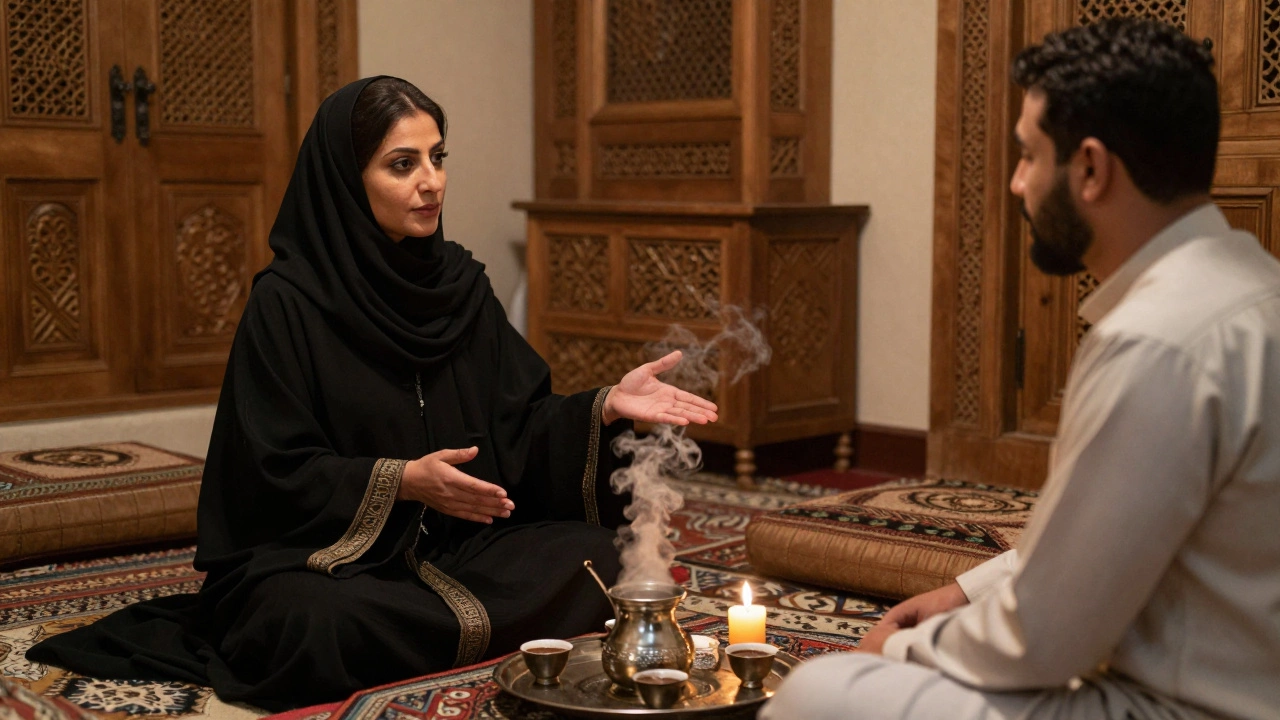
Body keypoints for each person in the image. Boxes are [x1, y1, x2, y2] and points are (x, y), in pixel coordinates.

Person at [28, 76, 718, 711]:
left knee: (598, 555)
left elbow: (518, 423)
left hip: (457, 549)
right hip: (333, 564)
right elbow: (268, 470)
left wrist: (601, 406)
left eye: (437, 158)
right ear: (345, 180)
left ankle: (430, 637)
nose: (431, 183)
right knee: (307, 624)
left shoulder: (461, 288)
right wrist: (401, 482)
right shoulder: (287, 304)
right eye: (402, 164)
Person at [762, 17, 1280, 720]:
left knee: (820, 693)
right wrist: (968, 592)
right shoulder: (1253, 287)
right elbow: (1119, 525)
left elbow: (1042, 644)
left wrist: (895, 651)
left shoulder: (1157, 340)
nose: (1015, 183)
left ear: (1091, 169)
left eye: (1029, 155)